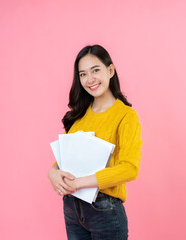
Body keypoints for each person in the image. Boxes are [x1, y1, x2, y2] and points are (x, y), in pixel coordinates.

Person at [47, 44, 142, 240]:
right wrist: (52, 173)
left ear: (110, 70)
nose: (89, 79)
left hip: (105, 211)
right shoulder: (78, 115)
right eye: (82, 74)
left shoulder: (125, 116)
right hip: (72, 208)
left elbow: (130, 168)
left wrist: (79, 183)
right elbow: (65, 159)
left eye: (95, 70)